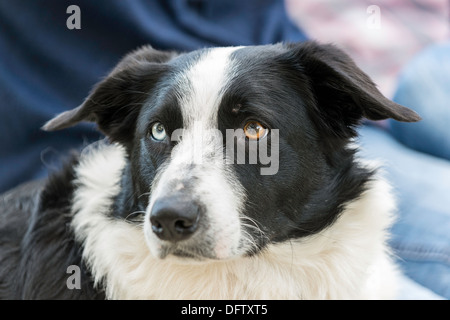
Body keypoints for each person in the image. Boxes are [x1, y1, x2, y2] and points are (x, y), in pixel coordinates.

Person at [0, 0, 448, 299]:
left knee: (432, 81)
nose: (173, 205)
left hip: (294, 102)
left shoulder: (307, 90)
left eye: (251, 132)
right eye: (160, 133)